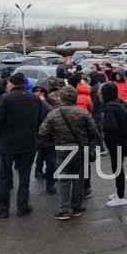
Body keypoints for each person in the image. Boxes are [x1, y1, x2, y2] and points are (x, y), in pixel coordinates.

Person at [37, 86, 101, 220]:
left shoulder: (53, 114)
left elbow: (42, 132)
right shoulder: (83, 113)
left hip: (62, 150)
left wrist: (55, 137)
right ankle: (77, 207)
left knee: (63, 179)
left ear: (61, 98)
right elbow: (94, 132)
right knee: (78, 179)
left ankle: (63, 210)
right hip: (80, 150)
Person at [0, 73, 44, 218]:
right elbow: (40, 120)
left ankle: (3, 209)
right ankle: (22, 206)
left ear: (13, 83)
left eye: (8, 83)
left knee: (4, 177)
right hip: (28, 142)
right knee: (24, 175)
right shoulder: (35, 98)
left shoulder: (5, 98)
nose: (7, 85)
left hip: (7, 143)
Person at [101, 82, 127, 206]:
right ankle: (119, 192)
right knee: (118, 168)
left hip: (115, 142)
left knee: (117, 168)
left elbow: (111, 126)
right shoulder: (122, 103)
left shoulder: (109, 107)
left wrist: (103, 124)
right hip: (124, 140)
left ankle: (120, 196)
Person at [32, 82, 58, 194]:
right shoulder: (31, 101)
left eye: (41, 91)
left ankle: (50, 183)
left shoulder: (52, 102)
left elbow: (54, 113)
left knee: (51, 163)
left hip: (49, 138)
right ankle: (38, 170)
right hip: (36, 136)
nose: (38, 93)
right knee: (40, 156)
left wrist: (44, 102)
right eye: (36, 91)